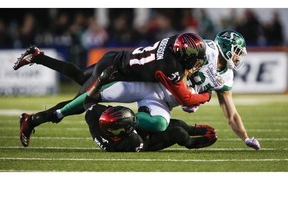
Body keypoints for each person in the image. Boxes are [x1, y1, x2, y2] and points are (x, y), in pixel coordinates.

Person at [15, 30, 260, 150]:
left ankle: (39, 58)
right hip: (131, 75)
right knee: (84, 98)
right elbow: (183, 94)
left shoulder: (224, 73)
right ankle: (44, 118)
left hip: (158, 92)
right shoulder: (200, 51)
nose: (239, 59)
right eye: (237, 52)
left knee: (81, 78)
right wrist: (200, 97)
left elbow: (231, 112)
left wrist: (246, 137)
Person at [84, 102, 217, 152]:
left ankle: (192, 129)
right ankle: (191, 143)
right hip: (146, 143)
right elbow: (140, 142)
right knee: (178, 132)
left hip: (127, 132)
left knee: (180, 124)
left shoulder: (93, 114)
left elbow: (91, 107)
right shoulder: (129, 142)